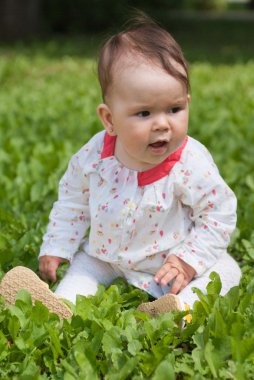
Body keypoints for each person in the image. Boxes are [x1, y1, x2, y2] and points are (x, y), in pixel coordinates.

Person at [0, 14, 241, 319]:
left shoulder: (189, 162)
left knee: (225, 269)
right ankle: (59, 308)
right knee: (83, 270)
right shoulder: (94, 156)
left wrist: (187, 260)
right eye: (144, 113)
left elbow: (218, 213)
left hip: (170, 261)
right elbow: (73, 200)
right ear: (110, 119)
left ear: (187, 102)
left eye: (175, 109)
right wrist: (57, 245)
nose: (163, 124)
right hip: (107, 254)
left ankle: (180, 310)